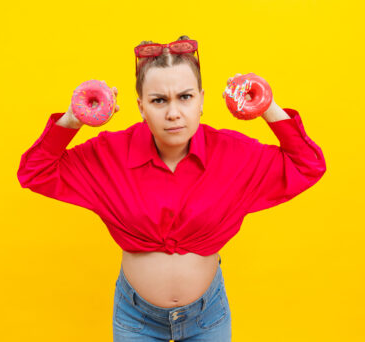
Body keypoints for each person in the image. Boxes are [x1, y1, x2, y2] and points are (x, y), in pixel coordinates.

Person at [17, 35, 327, 341]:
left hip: (207, 317)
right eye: (159, 100)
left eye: (185, 97)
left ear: (202, 100)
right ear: (141, 106)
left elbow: (307, 165)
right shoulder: (108, 154)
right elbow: (35, 172)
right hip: (136, 319)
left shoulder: (233, 154)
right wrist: (75, 117)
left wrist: (267, 106)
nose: (173, 113)